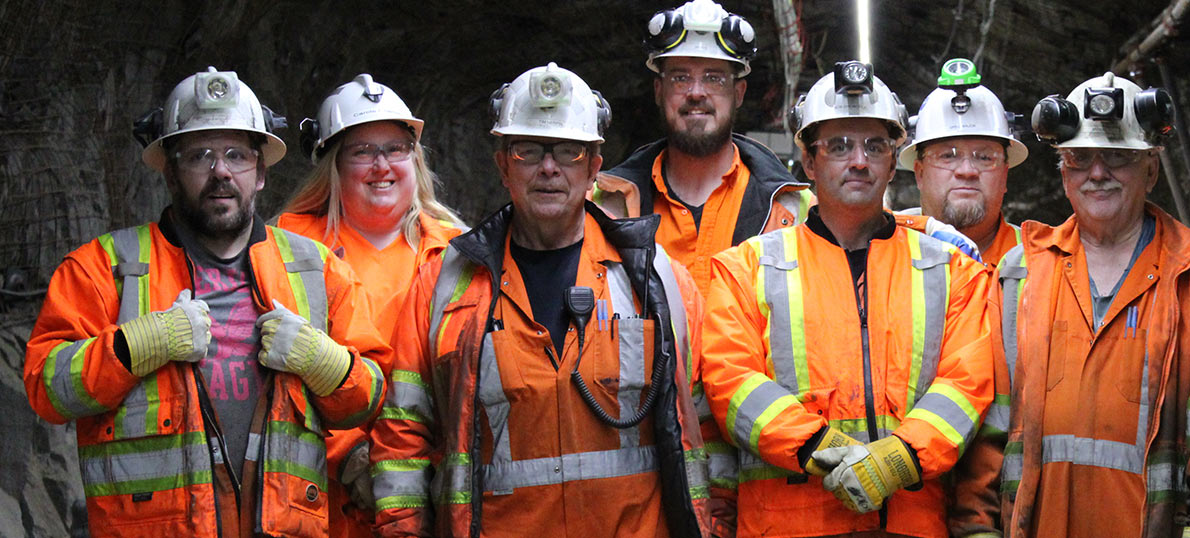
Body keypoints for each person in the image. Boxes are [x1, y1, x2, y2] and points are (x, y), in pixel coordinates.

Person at [22, 67, 390, 537]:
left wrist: (325, 363)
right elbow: (45, 388)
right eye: (200, 155)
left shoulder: (317, 269)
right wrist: (135, 347)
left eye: (237, 155)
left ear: (260, 172)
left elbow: (372, 398)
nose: (221, 171)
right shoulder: (105, 267)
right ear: (170, 173)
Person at [368, 63, 714, 538]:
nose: (549, 167)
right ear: (502, 163)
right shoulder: (443, 286)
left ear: (595, 166)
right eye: (528, 150)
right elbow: (402, 435)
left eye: (568, 151)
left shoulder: (657, 283)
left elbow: (705, 427)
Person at [699, 61, 998, 538]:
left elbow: (968, 383)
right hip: (789, 527)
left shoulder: (951, 270)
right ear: (810, 162)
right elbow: (729, 380)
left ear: (893, 158)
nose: (858, 160)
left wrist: (901, 457)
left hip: (911, 524)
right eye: (839, 145)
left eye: (874, 146)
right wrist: (816, 445)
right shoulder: (745, 268)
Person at [952, 72, 1190, 538]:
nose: (1097, 173)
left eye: (1118, 157)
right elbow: (989, 428)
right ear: (1062, 170)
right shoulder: (1021, 273)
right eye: (1080, 158)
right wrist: (977, 529)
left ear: (1151, 169)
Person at [277, 73, 467, 538]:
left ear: (415, 159)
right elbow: (272, 376)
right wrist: (350, 458)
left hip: (438, 489)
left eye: (396, 148)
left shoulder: (458, 250)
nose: (381, 165)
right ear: (333, 164)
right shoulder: (288, 246)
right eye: (362, 151)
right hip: (325, 495)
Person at [592, 0, 813, 292]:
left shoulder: (796, 211)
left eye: (714, 78)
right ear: (659, 91)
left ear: (739, 93)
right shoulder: (604, 205)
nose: (696, 92)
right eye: (680, 77)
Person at [895, 58, 1029, 268]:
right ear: (919, 173)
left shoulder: (1040, 260)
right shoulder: (883, 251)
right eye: (948, 156)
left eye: (984, 157)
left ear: (1005, 175)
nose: (967, 171)